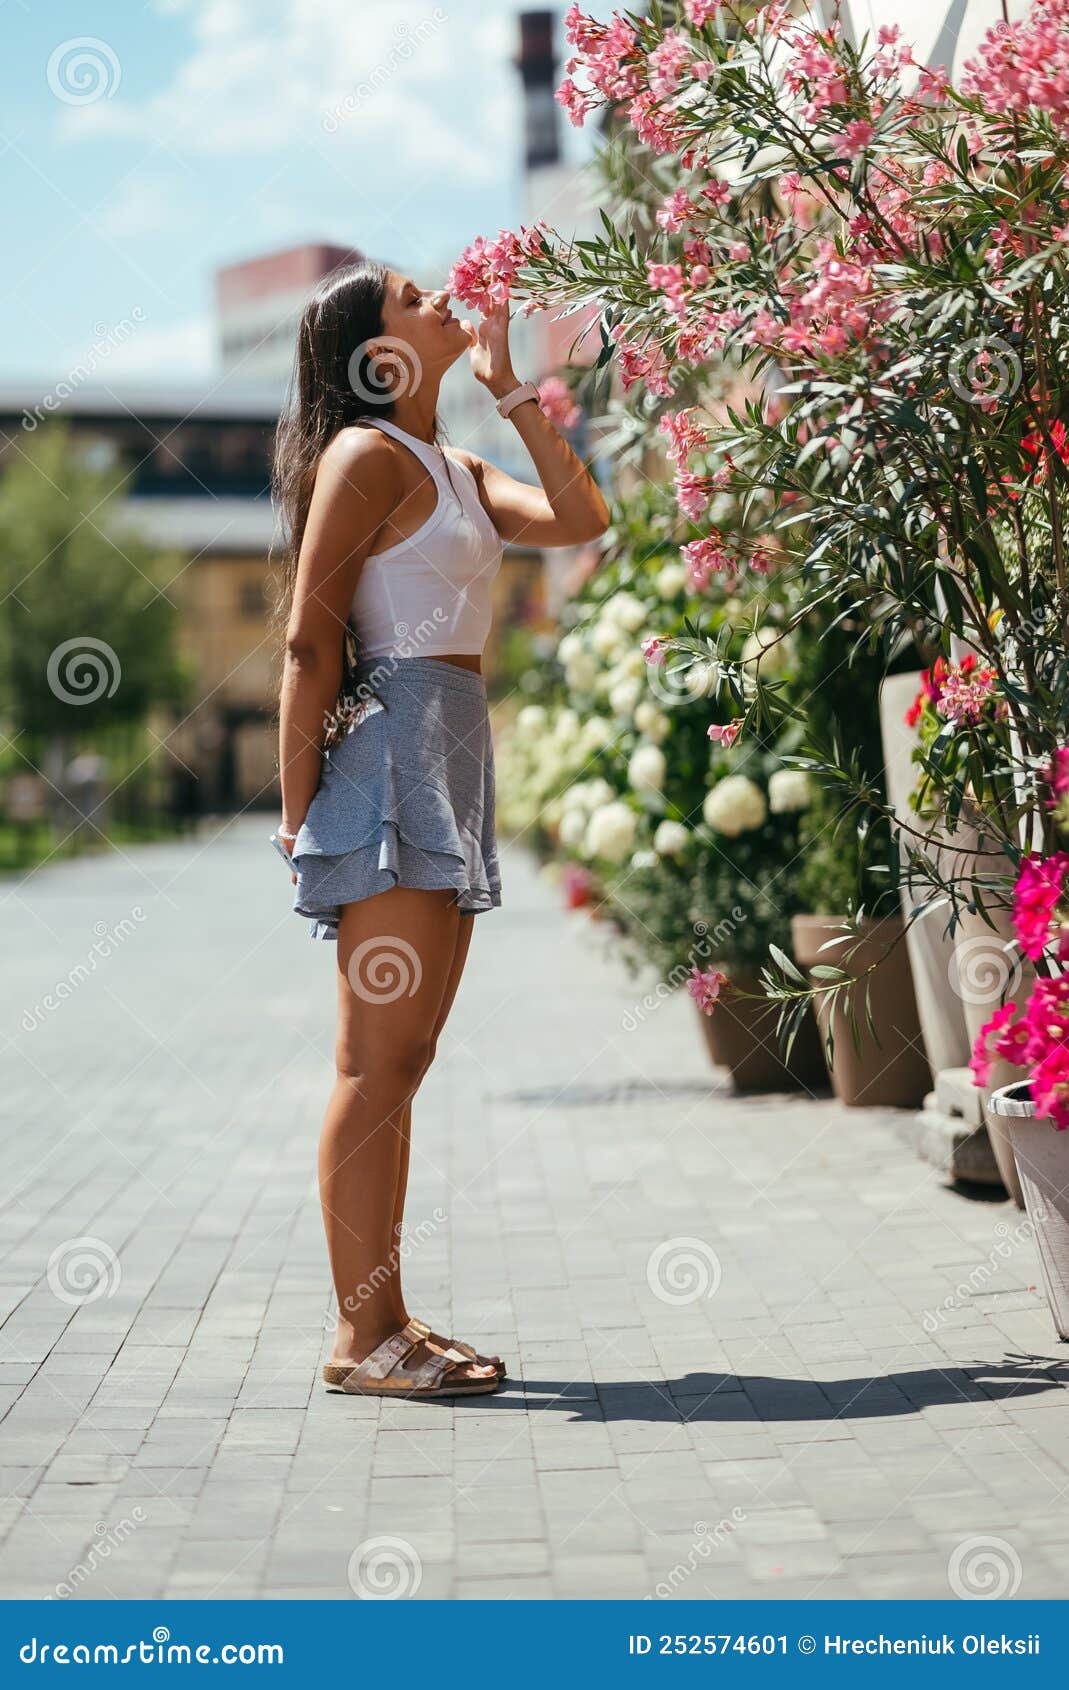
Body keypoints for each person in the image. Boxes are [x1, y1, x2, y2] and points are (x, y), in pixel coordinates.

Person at [272, 262, 609, 1398]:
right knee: (374, 1063)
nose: (442, 298)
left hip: (452, 751)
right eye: (415, 296)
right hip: (391, 753)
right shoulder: (363, 458)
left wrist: (510, 386)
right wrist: (295, 803)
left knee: (403, 1061)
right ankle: (360, 1339)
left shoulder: (454, 463)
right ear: (377, 356)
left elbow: (579, 516)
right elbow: (310, 641)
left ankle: (389, 1324)